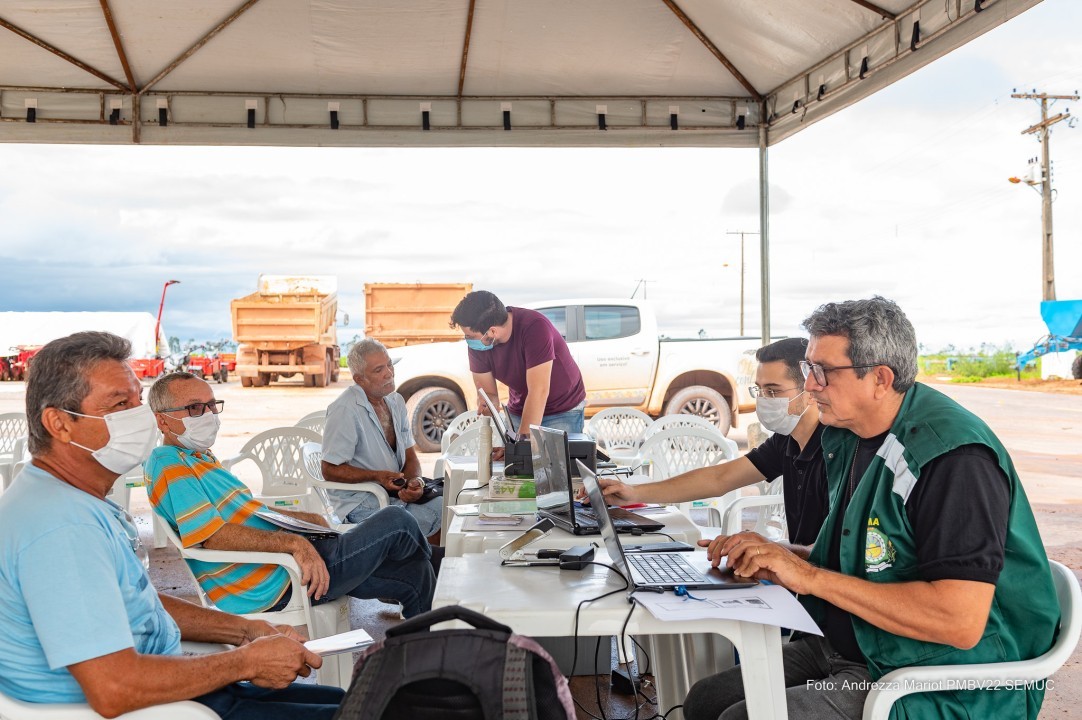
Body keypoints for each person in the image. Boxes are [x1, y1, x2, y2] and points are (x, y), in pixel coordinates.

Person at [683, 297, 1060, 720]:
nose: (809, 386)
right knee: (706, 700)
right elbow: (876, 564)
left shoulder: (952, 459)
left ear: (880, 378)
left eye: (822, 372)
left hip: (944, 678)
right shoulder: (852, 436)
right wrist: (780, 556)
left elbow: (959, 620)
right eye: (809, 369)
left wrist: (809, 577)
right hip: (861, 644)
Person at [0, 331, 343, 719]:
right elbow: (115, 688)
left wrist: (245, 631)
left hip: (180, 693)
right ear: (59, 424)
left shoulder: (68, 499)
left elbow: (133, 604)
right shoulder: (62, 528)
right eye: (119, 405)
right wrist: (244, 663)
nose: (139, 417)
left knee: (369, 700)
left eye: (136, 401)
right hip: (158, 708)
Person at [145, 371, 435, 620]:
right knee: (397, 521)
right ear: (163, 421)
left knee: (416, 575)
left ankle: (421, 656)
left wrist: (305, 522)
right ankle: (443, 570)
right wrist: (295, 543)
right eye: (195, 408)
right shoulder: (169, 462)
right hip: (273, 582)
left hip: (292, 565)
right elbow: (212, 536)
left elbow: (250, 512)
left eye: (211, 405)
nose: (208, 415)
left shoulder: (198, 457)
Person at [595, 337, 827, 553]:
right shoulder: (786, 441)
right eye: (760, 390)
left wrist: (768, 549)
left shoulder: (836, 450)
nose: (764, 399)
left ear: (810, 390)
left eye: (773, 391)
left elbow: (835, 552)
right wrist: (633, 493)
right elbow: (719, 478)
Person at [321, 339, 443, 542]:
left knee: (448, 508)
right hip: (360, 502)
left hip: (391, 495)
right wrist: (377, 477)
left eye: (389, 364)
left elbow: (410, 456)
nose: (389, 373)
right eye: (378, 370)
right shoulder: (345, 409)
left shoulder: (395, 401)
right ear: (359, 379)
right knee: (432, 519)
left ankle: (428, 566)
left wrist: (413, 483)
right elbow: (329, 469)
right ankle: (420, 568)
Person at [450, 290, 587, 440]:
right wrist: (489, 405)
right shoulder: (480, 343)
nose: (468, 340)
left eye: (470, 336)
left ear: (492, 331)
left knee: (555, 462)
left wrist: (521, 444)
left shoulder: (535, 327)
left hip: (562, 407)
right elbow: (489, 393)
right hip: (520, 406)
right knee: (517, 459)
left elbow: (538, 391)